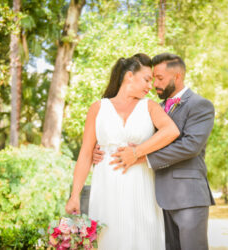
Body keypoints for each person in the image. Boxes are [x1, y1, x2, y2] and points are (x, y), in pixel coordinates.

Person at [94, 53, 215, 250]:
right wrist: (99, 151)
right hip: (157, 198)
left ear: (177, 76)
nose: (154, 84)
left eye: (159, 78)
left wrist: (142, 156)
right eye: (151, 78)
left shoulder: (200, 105)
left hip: (188, 197)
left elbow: (191, 146)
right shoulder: (151, 108)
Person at [65, 53, 180, 250]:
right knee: (108, 238)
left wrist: (138, 152)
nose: (150, 86)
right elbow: (85, 153)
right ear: (129, 76)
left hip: (141, 188)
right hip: (106, 188)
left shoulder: (149, 106)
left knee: (143, 240)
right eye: (146, 79)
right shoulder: (98, 108)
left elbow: (171, 131)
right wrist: (75, 195)